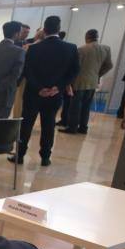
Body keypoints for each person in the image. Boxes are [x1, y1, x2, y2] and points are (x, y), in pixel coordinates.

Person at [12, 15, 79, 167]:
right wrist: (58, 87)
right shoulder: (70, 48)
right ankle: (45, 157)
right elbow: (74, 71)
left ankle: (20, 155)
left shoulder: (34, 48)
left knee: (26, 124)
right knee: (48, 125)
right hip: (55, 95)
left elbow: (27, 71)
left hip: (33, 93)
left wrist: (39, 88)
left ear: (44, 29)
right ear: (59, 29)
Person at [59, 29, 113, 135]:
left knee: (75, 106)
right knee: (86, 106)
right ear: (97, 37)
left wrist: (69, 81)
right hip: (93, 82)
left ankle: (72, 127)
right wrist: (98, 74)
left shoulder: (81, 50)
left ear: (87, 37)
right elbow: (109, 65)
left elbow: (75, 67)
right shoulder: (105, 49)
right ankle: (83, 127)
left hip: (79, 82)